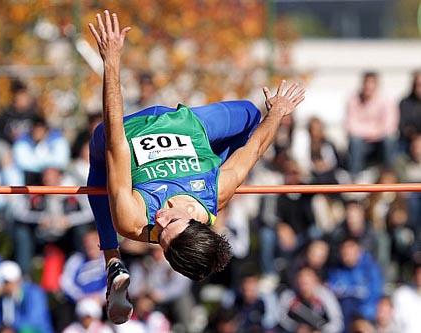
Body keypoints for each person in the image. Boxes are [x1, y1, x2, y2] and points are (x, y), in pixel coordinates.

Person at [86, 10, 305, 324]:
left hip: (132, 130)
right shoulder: (217, 192)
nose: (159, 219)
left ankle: (112, 258)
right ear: (196, 222)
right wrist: (278, 112)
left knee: (100, 162)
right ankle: (112, 265)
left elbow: (115, 141)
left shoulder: (134, 220)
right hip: (189, 126)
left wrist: (112, 62)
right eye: (171, 222)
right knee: (250, 115)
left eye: (159, 234)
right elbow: (254, 147)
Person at [345, 72, 399, 179]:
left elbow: (390, 126)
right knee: (355, 141)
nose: (368, 87)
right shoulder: (353, 100)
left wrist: (371, 132)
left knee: (390, 140)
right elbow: (351, 126)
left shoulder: (386, 100)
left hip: (380, 141)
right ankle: (355, 178)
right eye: (366, 83)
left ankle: (388, 176)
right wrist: (374, 131)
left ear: (377, 85)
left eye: (371, 83)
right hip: (362, 142)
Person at [0, 261, 54, 333]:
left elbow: (35, 320)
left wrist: (11, 327)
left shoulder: (34, 292)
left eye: (3, 283)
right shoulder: (1, 299)